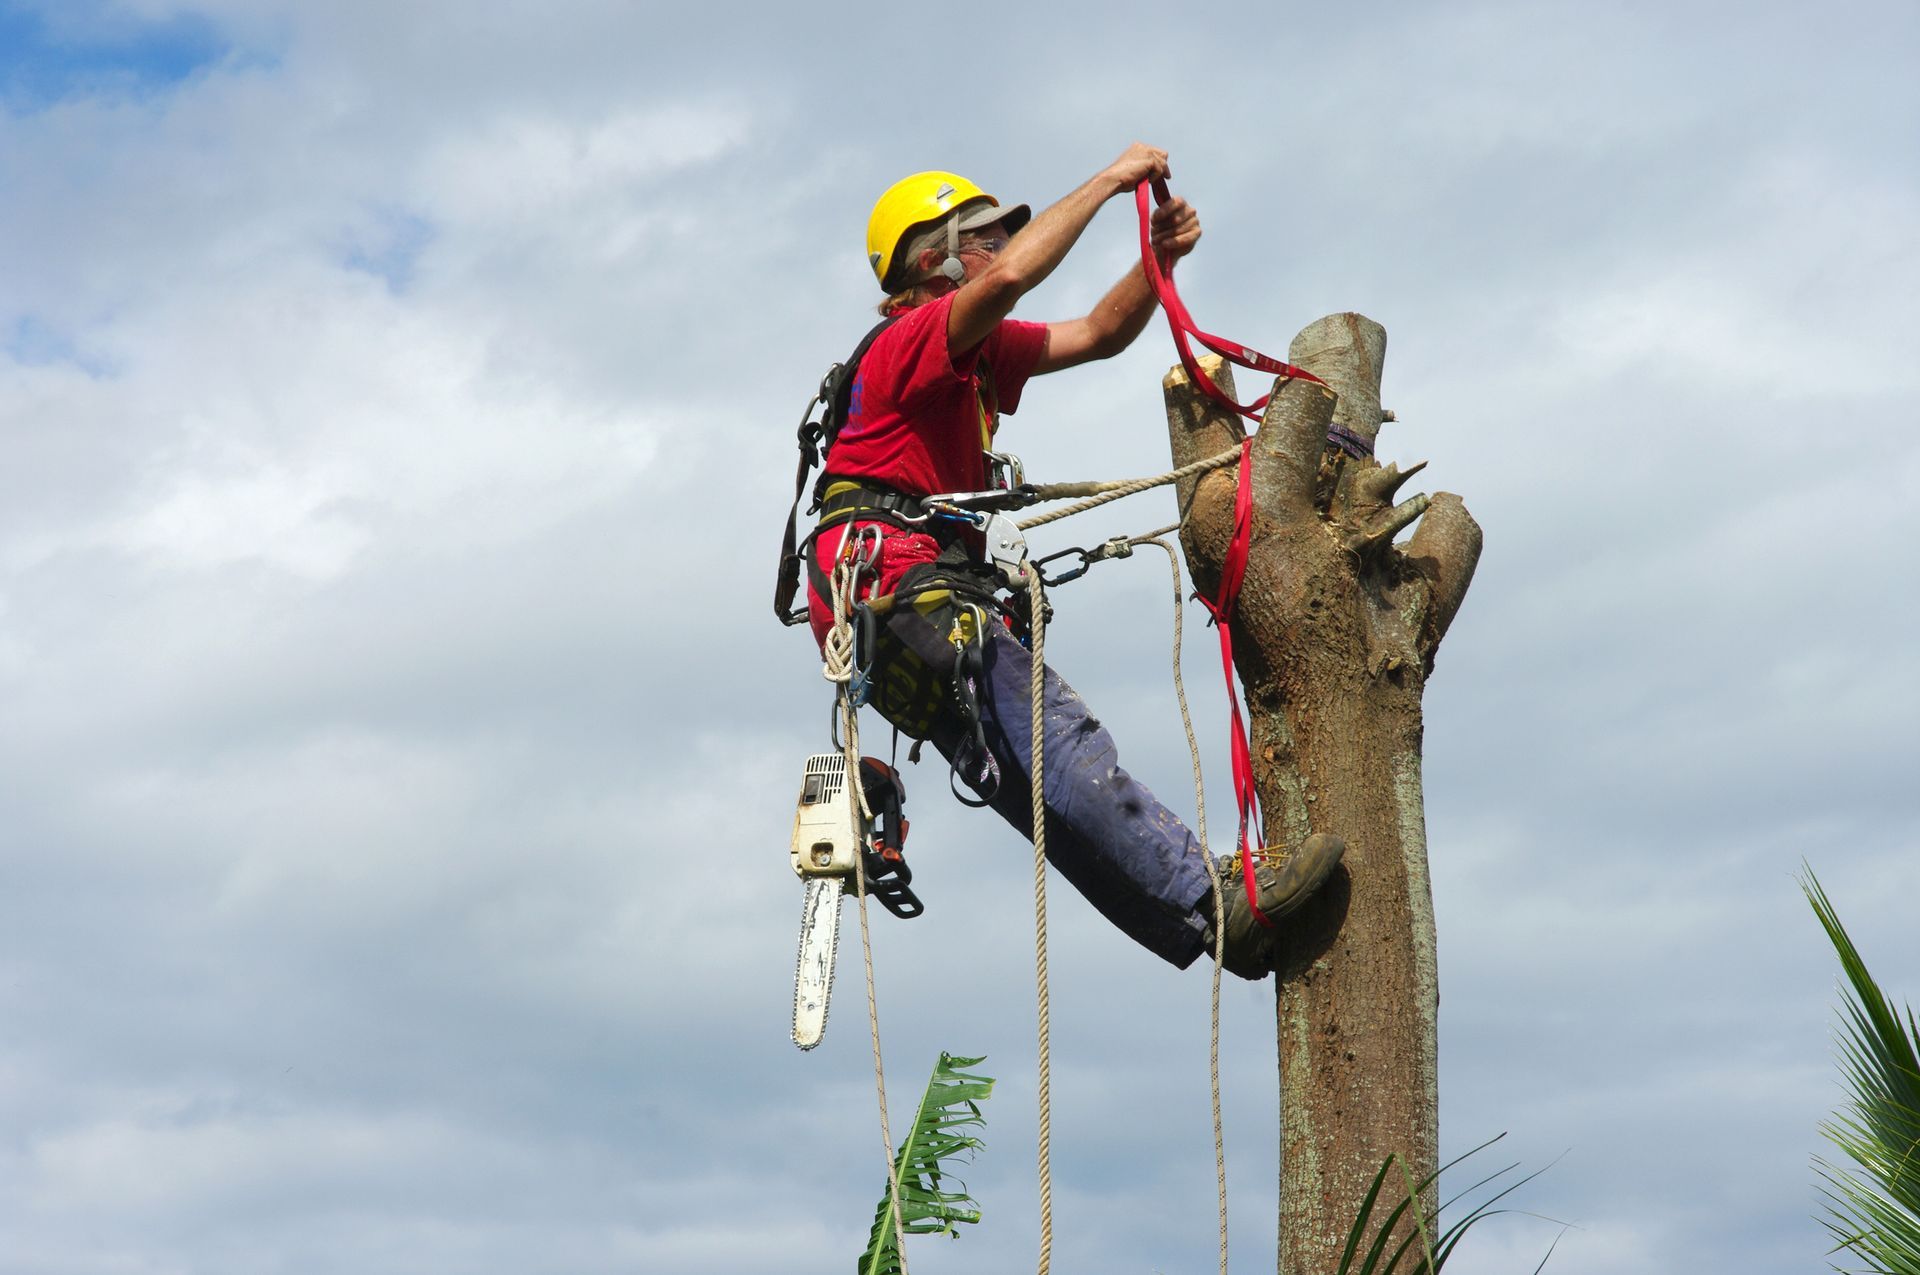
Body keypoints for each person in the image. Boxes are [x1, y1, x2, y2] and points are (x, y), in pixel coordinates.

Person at [805, 144, 1342, 979]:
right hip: (892, 578)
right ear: (933, 257)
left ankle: (1209, 922)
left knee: (1032, 778)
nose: (995, 248)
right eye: (981, 235)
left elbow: (1097, 332)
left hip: (897, 598)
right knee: (1056, 732)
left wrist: (1154, 261)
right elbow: (1009, 282)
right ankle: (1211, 896)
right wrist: (1105, 182)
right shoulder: (908, 342)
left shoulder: (976, 355)